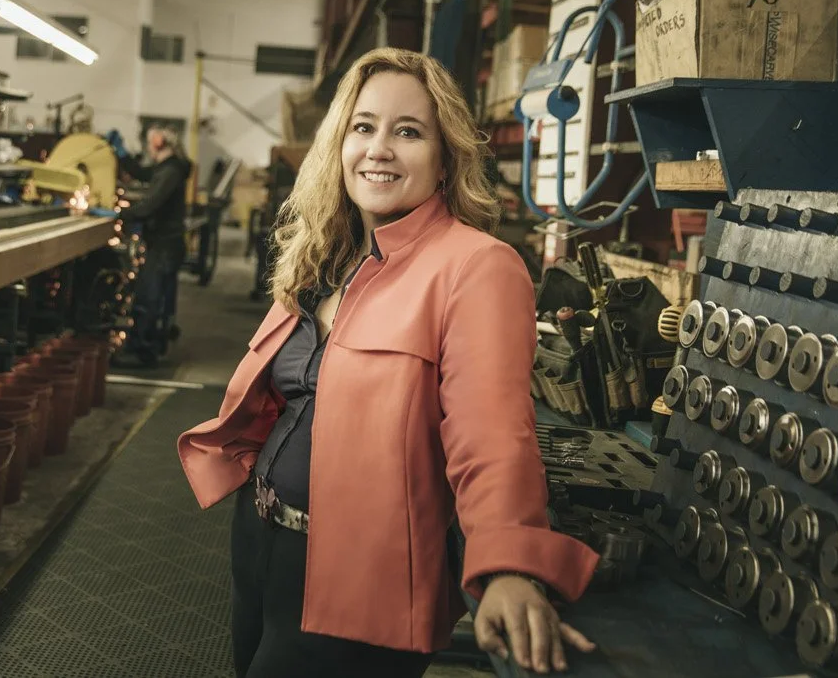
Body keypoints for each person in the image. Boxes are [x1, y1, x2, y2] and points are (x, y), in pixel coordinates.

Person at [177, 48, 599, 678]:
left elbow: (490, 431)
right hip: (261, 539)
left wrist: (510, 566)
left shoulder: (476, 267)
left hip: (360, 573)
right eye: (363, 127)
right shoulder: (325, 255)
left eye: (408, 131)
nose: (379, 148)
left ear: (445, 155)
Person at [110, 125, 193, 366]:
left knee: (148, 298)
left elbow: (151, 204)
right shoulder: (167, 168)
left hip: (165, 246)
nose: (147, 146)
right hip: (166, 244)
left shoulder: (171, 171)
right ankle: (152, 344)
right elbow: (142, 173)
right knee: (155, 297)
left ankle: (142, 352)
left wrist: (119, 215)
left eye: (149, 142)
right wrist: (121, 154)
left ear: (158, 142)